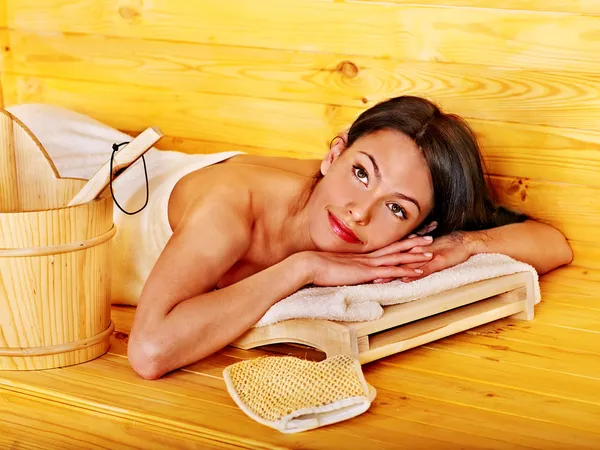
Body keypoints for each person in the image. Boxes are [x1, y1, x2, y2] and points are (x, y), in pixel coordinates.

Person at [7, 97, 573, 380]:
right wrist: (300, 269)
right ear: (334, 152)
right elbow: (150, 351)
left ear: (420, 226)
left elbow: (553, 243)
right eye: (359, 171)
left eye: (395, 208)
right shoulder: (235, 206)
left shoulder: (400, 220)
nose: (358, 211)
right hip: (44, 168)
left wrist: (463, 246)